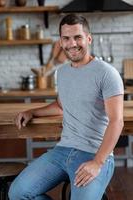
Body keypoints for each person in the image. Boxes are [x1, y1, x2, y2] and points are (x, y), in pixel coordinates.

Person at [9, 14, 124, 200]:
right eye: (66, 38)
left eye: (78, 37)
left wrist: (97, 162)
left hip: (94, 153)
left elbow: (116, 121)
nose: (72, 43)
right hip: (62, 150)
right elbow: (61, 105)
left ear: (88, 38)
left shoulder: (107, 74)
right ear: (61, 42)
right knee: (17, 193)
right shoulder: (62, 73)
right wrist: (32, 112)